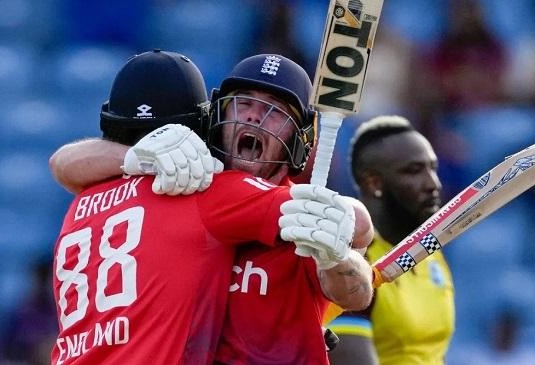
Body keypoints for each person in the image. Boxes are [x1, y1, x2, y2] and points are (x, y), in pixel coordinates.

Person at [49, 53, 375, 364]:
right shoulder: (198, 191)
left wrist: (336, 254)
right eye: (242, 103)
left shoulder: (85, 198)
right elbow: (61, 163)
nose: (253, 116)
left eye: (275, 111)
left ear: (298, 137)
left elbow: (357, 290)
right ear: (215, 118)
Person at [328, 116, 455, 365]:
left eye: (433, 168)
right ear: (374, 183)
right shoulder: (349, 262)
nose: (433, 184)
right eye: (414, 171)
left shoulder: (431, 253)